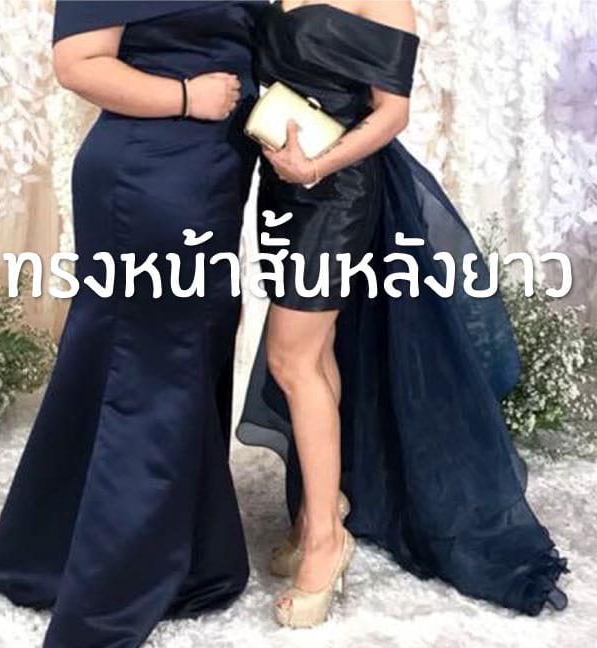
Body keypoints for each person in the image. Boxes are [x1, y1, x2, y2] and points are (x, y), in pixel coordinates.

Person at [238, 0, 568, 628]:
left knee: (291, 360)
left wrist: (316, 166)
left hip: (336, 193)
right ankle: (316, 511)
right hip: (280, 189)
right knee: (316, 354)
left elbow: (392, 113)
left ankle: (325, 544)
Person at [0, 2, 265, 647]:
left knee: (162, 355)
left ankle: (63, 551)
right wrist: (187, 96)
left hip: (208, 176)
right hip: (151, 177)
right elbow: (76, 62)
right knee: (154, 369)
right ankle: (113, 587)